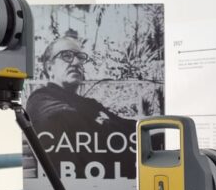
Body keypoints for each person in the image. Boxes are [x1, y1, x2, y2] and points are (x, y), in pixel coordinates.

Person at [25, 35, 138, 180]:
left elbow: (126, 127)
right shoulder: (40, 99)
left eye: (80, 57)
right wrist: (102, 123)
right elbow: (60, 117)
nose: (76, 62)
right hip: (77, 185)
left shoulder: (89, 104)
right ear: (49, 67)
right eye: (66, 56)